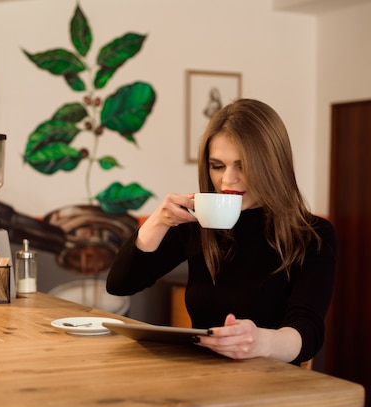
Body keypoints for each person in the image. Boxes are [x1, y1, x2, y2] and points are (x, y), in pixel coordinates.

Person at [106, 98, 337, 365]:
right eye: (218, 166)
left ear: (272, 165)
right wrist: (158, 221)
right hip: (202, 378)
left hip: (273, 385)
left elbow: (307, 334)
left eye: (243, 165)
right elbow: (120, 284)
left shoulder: (312, 235)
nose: (227, 180)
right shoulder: (200, 223)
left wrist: (259, 341)